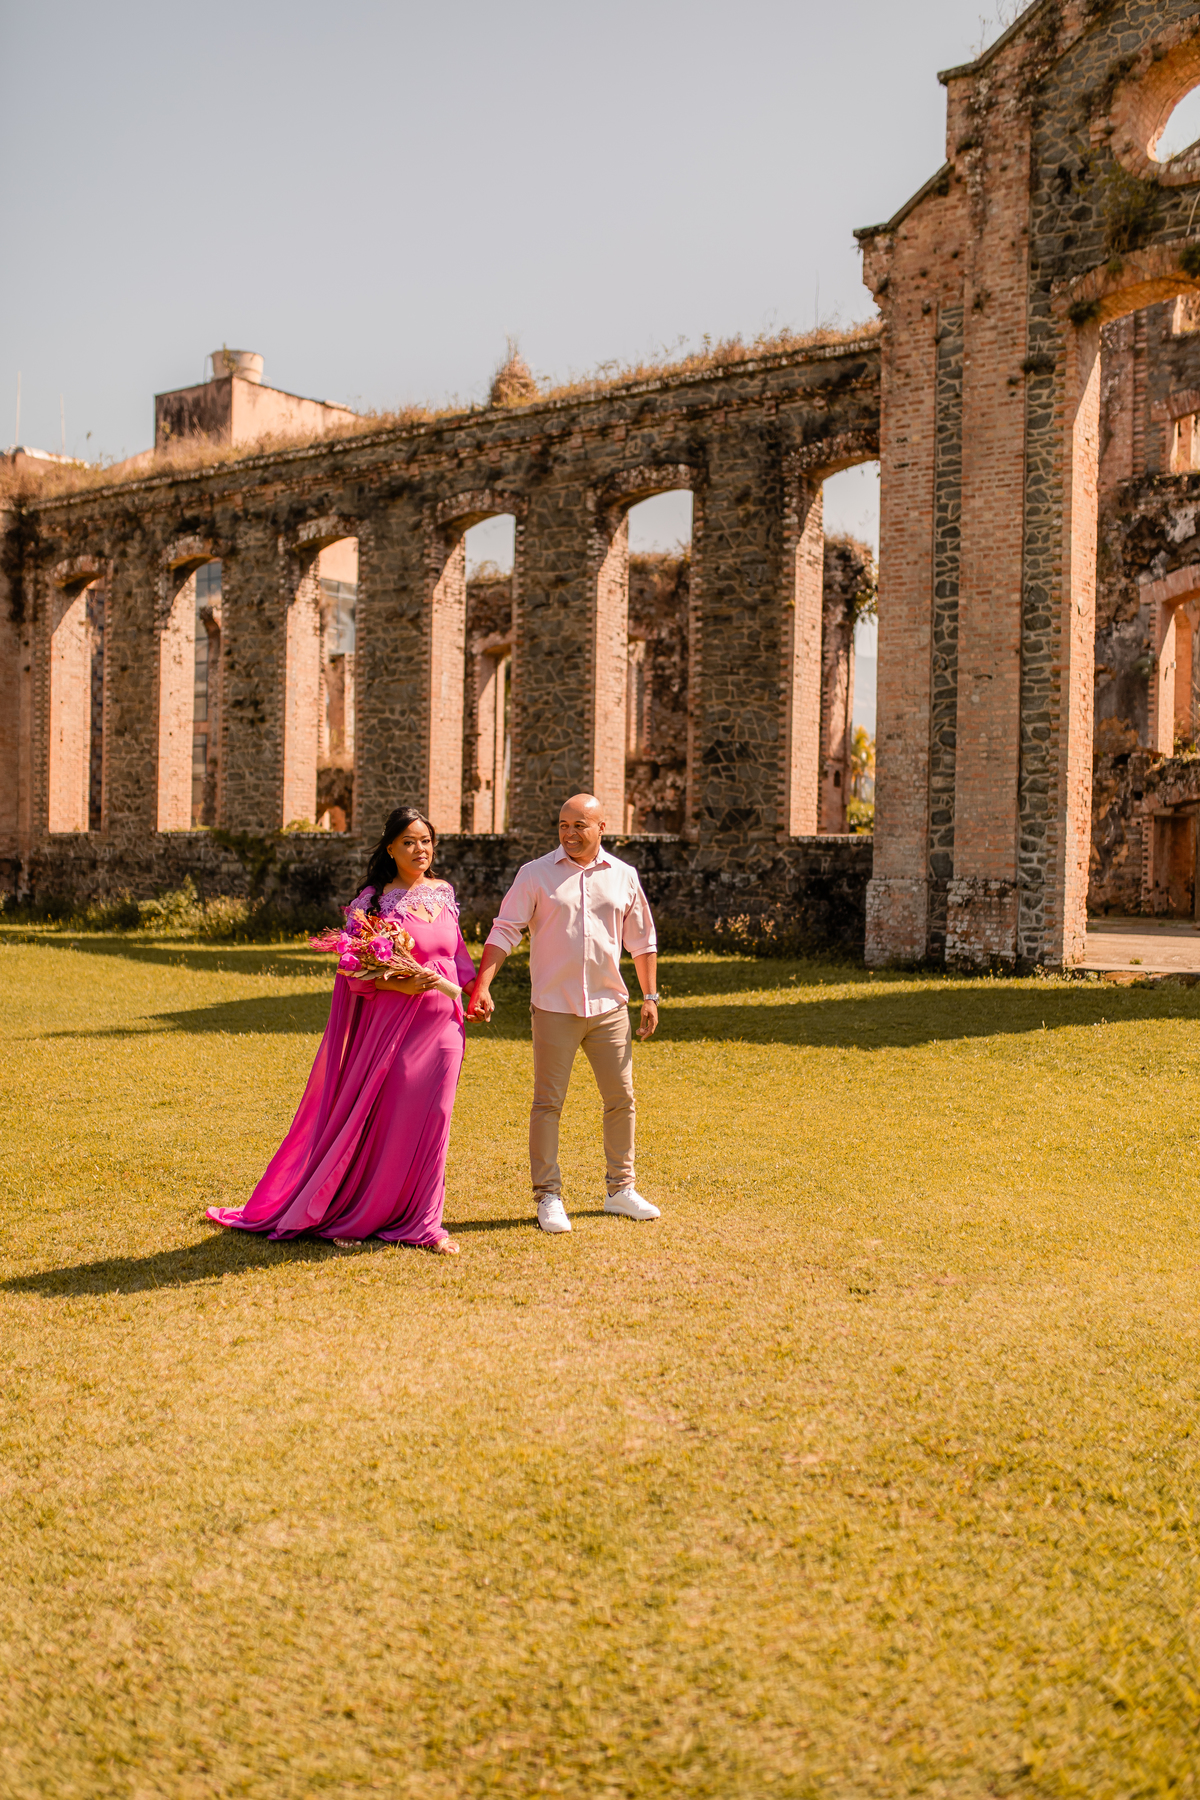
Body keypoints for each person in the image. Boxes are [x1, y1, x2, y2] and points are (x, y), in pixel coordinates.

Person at [207, 807, 478, 1254]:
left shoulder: (444, 892)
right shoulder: (372, 902)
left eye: (426, 841)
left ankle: (425, 1224)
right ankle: (362, 1209)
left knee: (436, 1119)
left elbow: (457, 952)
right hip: (393, 1029)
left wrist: (474, 989)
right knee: (390, 1117)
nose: (419, 850)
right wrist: (397, 979)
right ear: (389, 848)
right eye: (408, 842)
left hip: (445, 1026)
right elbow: (353, 970)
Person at [468, 793, 661, 1233]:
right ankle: (548, 1197)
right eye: (563, 825)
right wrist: (483, 984)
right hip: (554, 1008)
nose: (570, 834)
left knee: (621, 1100)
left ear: (601, 828)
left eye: (580, 825)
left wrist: (650, 997)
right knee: (547, 1103)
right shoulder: (534, 874)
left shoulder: (624, 877)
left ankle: (620, 1191)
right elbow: (505, 930)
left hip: (611, 1009)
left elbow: (642, 941)